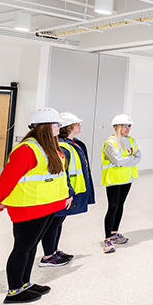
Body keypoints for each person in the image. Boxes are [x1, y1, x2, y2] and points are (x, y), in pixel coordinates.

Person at [0, 108, 70, 303]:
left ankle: (25, 284)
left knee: (32, 246)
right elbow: (7, 179)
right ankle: (14, 291)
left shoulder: (50, 147)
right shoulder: (26, 149)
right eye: (56, 123)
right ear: (44, 127)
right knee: (22, 247)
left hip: (47, 205)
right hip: (29, 207)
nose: (60, 127)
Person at [39, 112, 94, 266]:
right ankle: (48, 256)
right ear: (69, 127)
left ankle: (54, 251)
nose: (80, 126)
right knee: (54, 222)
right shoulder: (63, 147)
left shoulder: (71, 143)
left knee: (58, 221)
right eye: (77, 124)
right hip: (63, 193)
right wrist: (68, 193)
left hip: (69, 192)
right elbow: (63, 173)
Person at [101, 114, 141, 252]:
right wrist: (131, 158)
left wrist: (127, 159)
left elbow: (138, 157)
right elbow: (117, 161)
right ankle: (107, 240)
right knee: (113, 206)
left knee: (120, 206)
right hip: (114, 179)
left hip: (127, 178)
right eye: (124, 126)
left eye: (129, 126)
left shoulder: (132, 141)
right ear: (116, 127)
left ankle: (114, 232)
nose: (127, 128)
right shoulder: (111, 143)